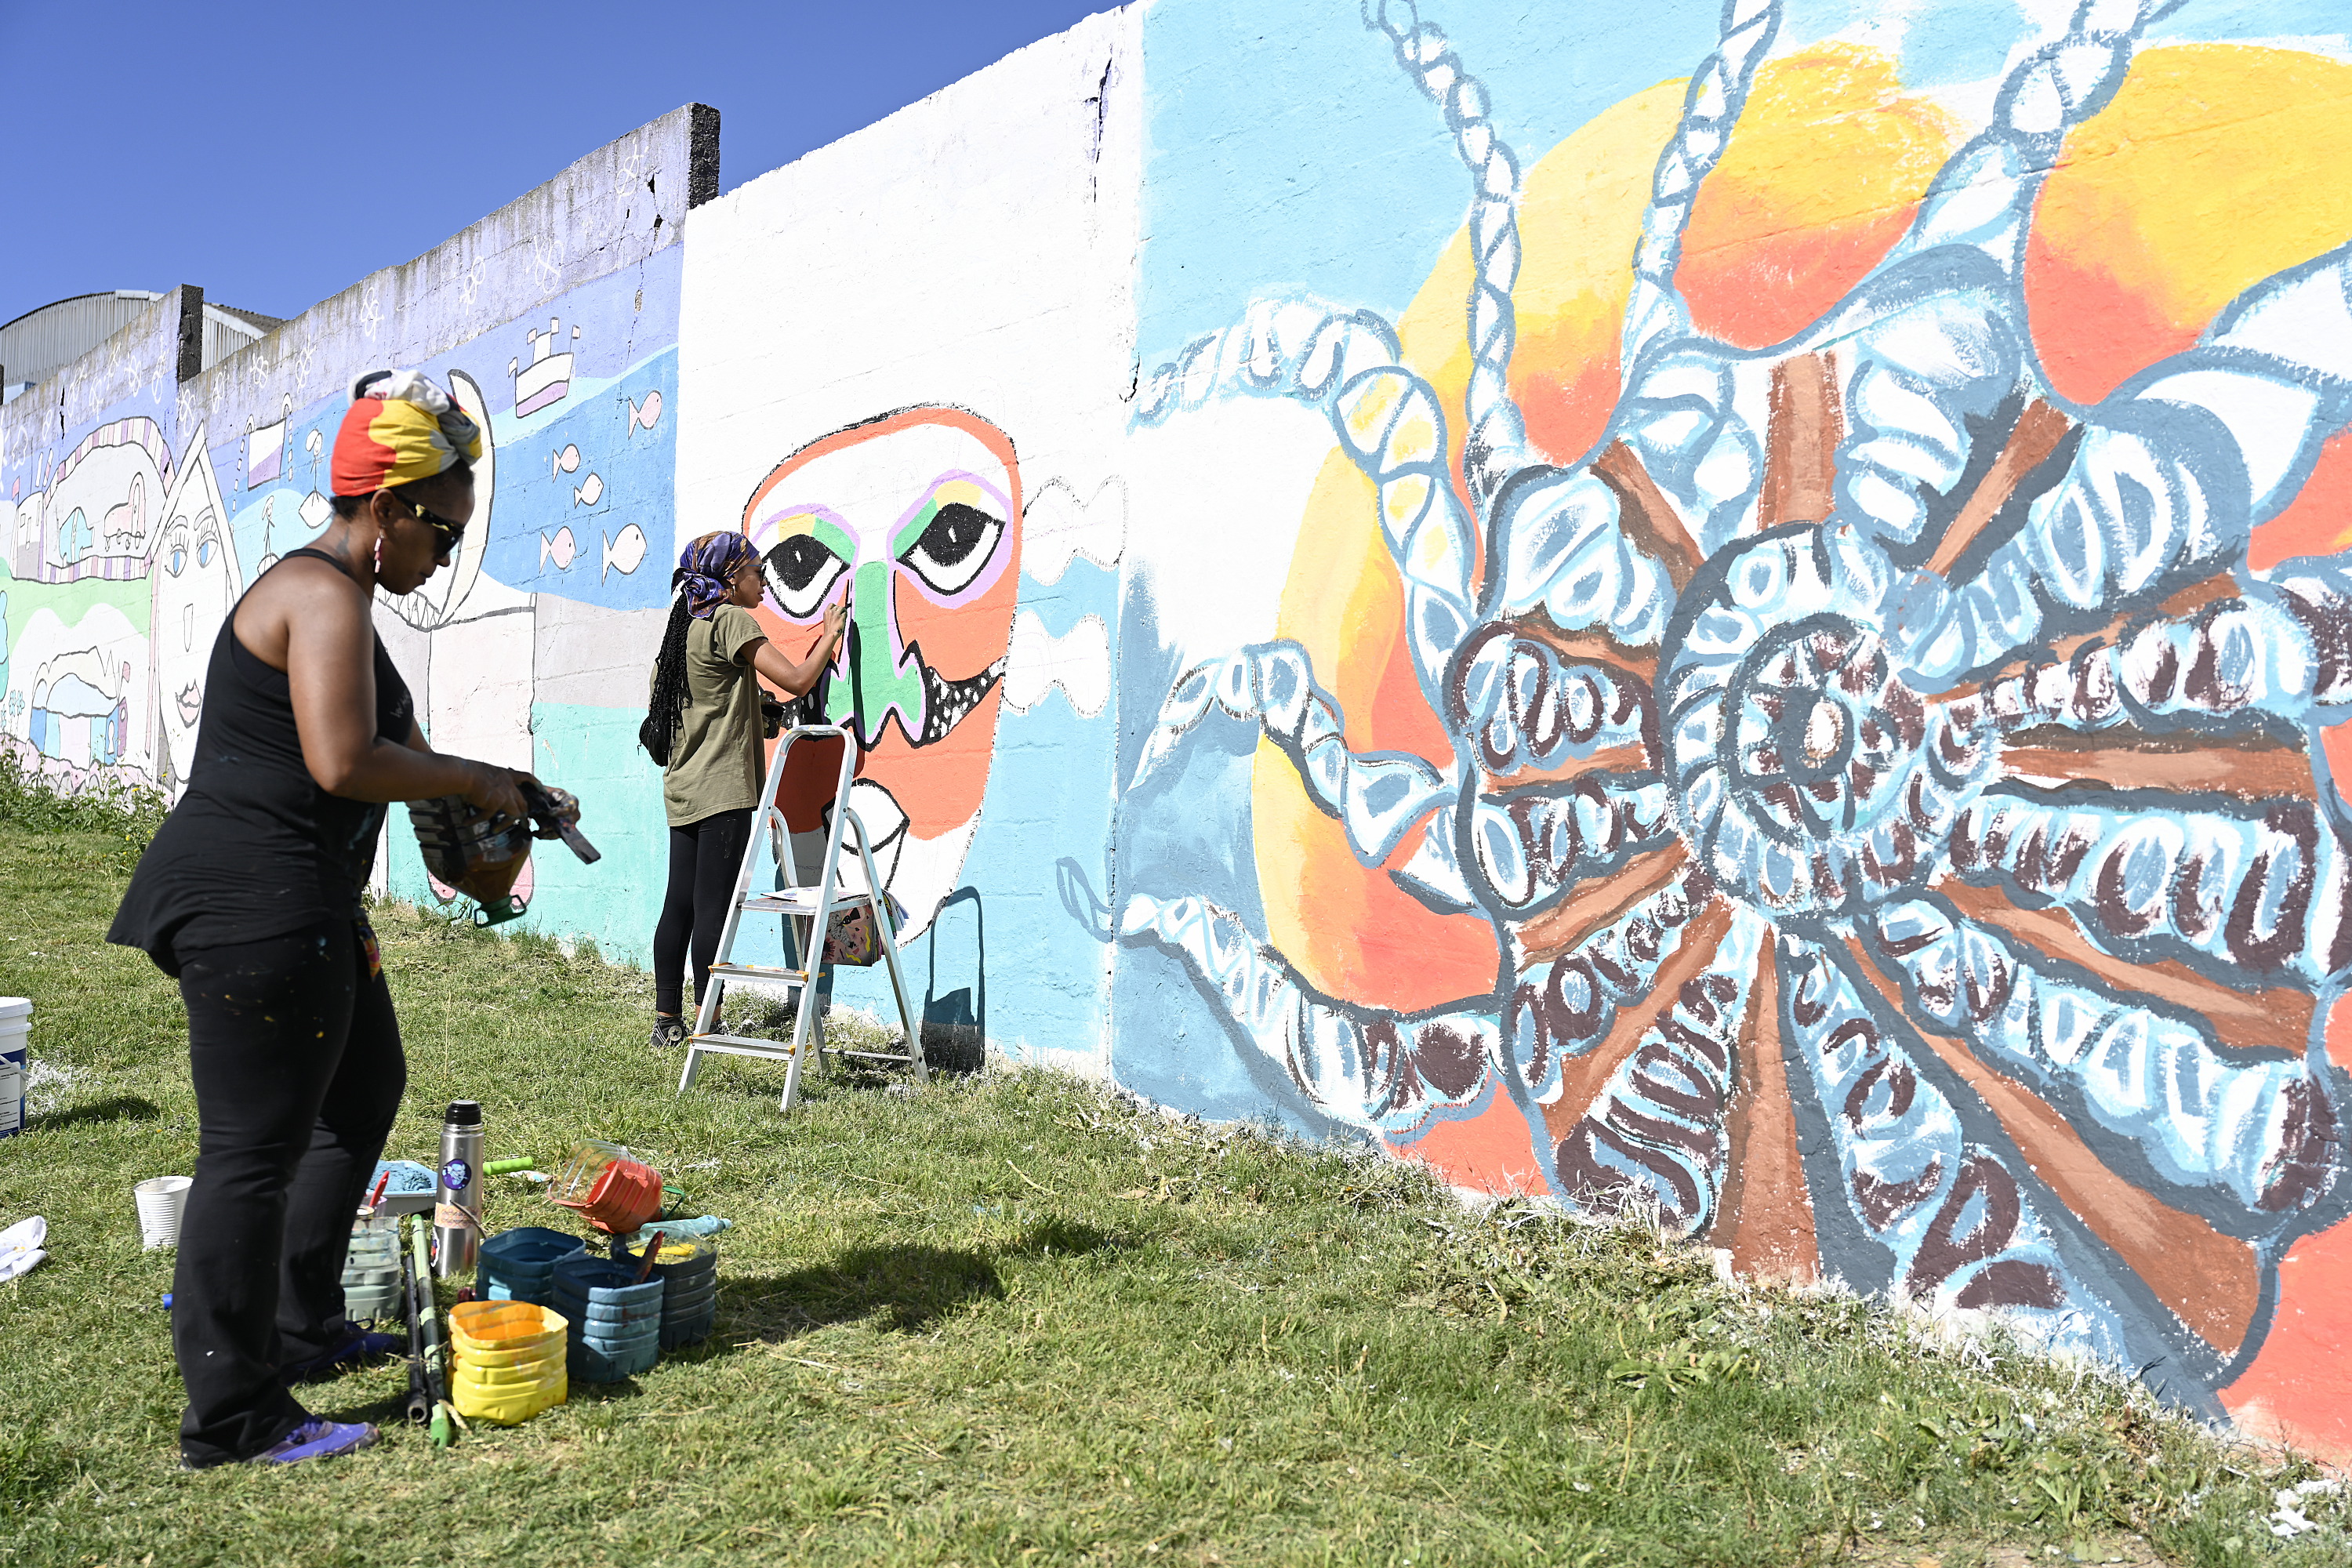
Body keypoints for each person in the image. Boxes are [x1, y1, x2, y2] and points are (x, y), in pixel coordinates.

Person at [108, 369, 534, 1468]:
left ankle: (298, 1325)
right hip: (257, 898)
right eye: (439, 532)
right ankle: (232, 1414)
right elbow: (343, 761)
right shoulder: (319, 594)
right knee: (250, 1152)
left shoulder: (345, 607)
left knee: (361, 1089)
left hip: (304, 898)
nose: (441, 558)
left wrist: (490, 810)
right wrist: (476, 777)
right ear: (385, 507)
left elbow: (388, 773)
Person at [640, 532, 846, 1049]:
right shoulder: (732, 620)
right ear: (730, 580)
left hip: (684, 787)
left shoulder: (684, 627)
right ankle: (709, 1022)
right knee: (714, 907)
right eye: (756, 572)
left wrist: (757, 712)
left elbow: (704, 705)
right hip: (725, 789)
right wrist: (829, 637)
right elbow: (799, 679)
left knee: (679, 905)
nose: (764, 584)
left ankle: (667, 1020)